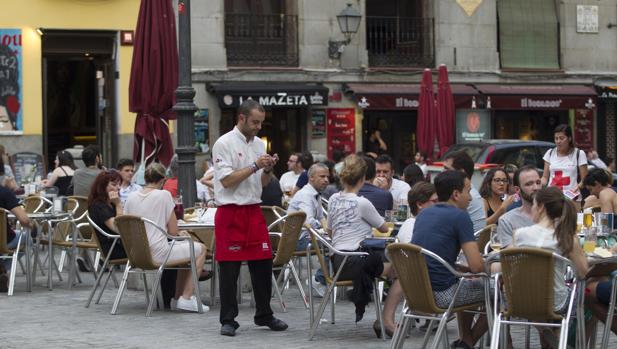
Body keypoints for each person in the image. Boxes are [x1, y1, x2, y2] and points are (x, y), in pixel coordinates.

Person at [212, 99, 287, 336]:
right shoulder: (223, 143)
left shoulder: (258, 144)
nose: (258, 127)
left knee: (263, 264)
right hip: (230, 212)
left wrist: (267, 169)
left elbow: (262, 184)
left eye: (261, 123)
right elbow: (226, 180)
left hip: (253, 210)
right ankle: (228, 320)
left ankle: (264, 314)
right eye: (255, 122)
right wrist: (256, 165)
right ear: (242, 118)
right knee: (229, 269)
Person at [411, 170, 488, 349]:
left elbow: (434, 257)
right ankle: (468, 343)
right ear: (455, 194)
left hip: (416, 292)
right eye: (468, 191)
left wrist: (464, 269)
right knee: (500, 294)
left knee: (467, 282)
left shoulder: (423, 214)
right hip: (442, 295)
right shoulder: (460, 217)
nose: (470, 198)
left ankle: (465, 341)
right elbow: (477, 266)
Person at [124, 163, 208, 313]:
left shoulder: (131, 197)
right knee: (200, 249)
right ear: (162, 180)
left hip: (136, 255)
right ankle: (186, 298)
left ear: (145, 178)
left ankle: (177, 299)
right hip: (158, 254)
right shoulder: (163, 195)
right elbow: (174, 231)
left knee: (187, 250)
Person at [328, 154, 391, 324]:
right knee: (401, 269)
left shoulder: (333, 199)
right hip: (356, 262)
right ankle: (386, 321)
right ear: (363, 178)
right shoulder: (362, 203)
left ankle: (384, 320)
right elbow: (384, 228)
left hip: (336, 262)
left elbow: (329, 230)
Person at [512, 187, 588, 313]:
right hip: (556, 303)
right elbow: (583, 272)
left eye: (534, 204)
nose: (532, 208)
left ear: (541, 207)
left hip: (520, 300)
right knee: (586, 293)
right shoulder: (566, 238)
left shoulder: (519, 234)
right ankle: (560, 331)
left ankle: (546, 330)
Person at [380, 181, 437, 336]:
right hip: (415, 274)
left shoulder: (424, 222)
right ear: (420, 204)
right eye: (435, 201)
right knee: (405, 275)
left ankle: (422, 312)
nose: (439, 205)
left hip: (417, 272)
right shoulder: (412, 224)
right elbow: (411, 258)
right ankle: (387, 320)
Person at [496, 166, 542, 248]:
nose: (536, 188)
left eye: (538, 183)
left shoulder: (555, 214)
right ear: (517, 190)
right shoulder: (507, 220)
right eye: (529, 184)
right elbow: (511, 256)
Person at [541, 124, 588, 204]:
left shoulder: (579, 154)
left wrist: (576, 189)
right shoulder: (550, 153)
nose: (558, 141)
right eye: (556, 138)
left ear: (569, 138)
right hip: (552, 198)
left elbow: (585, 180)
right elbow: (545, 178)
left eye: (562, 138)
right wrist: (537, 184)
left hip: (572, 199)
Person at [86, 170, 127, 262]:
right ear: (102, 186)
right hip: (112, 248)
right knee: (149, 250)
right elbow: (118, 228)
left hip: (118, 243)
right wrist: (118, 205)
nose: (119, 188)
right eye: (114, 184)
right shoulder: (99, 206)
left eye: (119, 184)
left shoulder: (110, 204)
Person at [443, 150, 486, 232]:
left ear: (461, 173)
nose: (442, 173)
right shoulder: (465, 191)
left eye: (447, 169)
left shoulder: (465, 196)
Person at [0, 185, 31, 292]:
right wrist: (31, 225)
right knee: (28, 238)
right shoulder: (4, 192)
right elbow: (24, 220)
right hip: (4, 240)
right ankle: (2, 268)